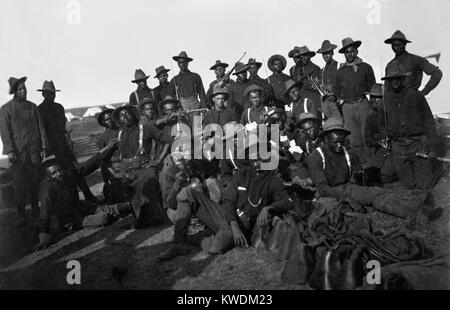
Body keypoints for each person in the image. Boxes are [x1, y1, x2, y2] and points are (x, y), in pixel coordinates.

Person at [307, 117, 442, 221]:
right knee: (338, 209)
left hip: (348, 188)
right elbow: (323, 189)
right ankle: (413, 212)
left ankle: (420, 199)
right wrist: (347, 199)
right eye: (335, 142)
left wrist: (358, 189)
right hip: (328, 195)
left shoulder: (348, 153)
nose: (339, 145)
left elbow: (355, 175)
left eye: (341, 141)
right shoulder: (316, 157)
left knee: (376, 194)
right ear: (325, 138)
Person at [35, 154, 132, 250]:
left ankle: (130, 206)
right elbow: (44, 213)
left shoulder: (68, 175)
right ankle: (114, 212)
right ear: (48, 175)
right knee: (104, 218)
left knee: (111, 208)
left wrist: (104, 152)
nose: (58, 174)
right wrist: (43, 237)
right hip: (69, 219)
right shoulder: (46, 189)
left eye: (59, 170)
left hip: (79, 205)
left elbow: (87, 167)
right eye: (54, 173)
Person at [108, 105, 174, 228]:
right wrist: (115, 172)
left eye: (127, 114)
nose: (124, 117)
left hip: (145, 166)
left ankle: (155, 218)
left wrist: (158, 160)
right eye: (121, 115)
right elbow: (106, 156)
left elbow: (169, 140)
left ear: (134, 115)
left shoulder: (146, 128)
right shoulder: (120, 134)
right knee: (126, 186)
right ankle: (139, 219)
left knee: (148, 179)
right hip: (127, 169)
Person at [221, 142, 294, 248]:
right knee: (218, 245)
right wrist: (234, 226)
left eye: (260, 160)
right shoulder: (241, 175)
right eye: (253, 160)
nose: (256, 164)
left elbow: (288, 201)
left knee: (260, 243)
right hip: (235, 220)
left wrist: (268, 208)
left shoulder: (273, 179)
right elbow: (228, 201)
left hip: (255, 223)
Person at [38, 80, 99, 203]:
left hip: (63, 145)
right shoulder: (39, 110)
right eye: (48, 93)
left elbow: (63, 129)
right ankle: (69, 204)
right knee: (60, 176)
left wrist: (68, 143)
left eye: (53, 93)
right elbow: (41, 131)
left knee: (76, 171)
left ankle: (88, 197)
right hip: (50, 148)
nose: (52, 96)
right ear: (43, 94)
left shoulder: (59, 108)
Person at [382, 61, 438, 190]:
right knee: (408, 186)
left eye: (398, 78)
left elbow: (428, 121)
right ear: (389, 81)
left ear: (403, 79)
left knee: (425, 185)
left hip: (417, 144)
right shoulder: (386, 100)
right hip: (398, 148)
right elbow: (380, 122)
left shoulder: (416, 96)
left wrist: (432, 147)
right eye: (392, 79)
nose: (395, 81)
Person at [0, 77, 48, 224]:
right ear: (15, 92)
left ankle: (35, 211)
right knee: (19, 186)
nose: (24, 91)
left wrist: (44, 147)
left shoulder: (33, 107)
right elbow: (5, 132)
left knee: (35, 183)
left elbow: (41, 128)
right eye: (21, 89)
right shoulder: (5, 109)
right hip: (18, 155)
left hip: (34, 151)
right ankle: (21, 215)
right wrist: (10, 151)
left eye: (25, 88)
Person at [334, 37, 376, 163]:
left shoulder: (366, 67)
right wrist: (343, 106)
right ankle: (361, 166)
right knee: (354, 139)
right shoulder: (340, 71)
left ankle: (372, 165)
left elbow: (372, 87)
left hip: (362, 104)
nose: (350, 54)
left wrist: (372, 107)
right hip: (347, 107)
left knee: (367, 136)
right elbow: (336, 91)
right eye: (347, 52)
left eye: (352, 51)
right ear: (344, 54)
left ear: (357, 52)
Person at [384, 30, 443, 96]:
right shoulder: (389, 65)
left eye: (399, 45)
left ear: (404, 44)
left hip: (412, 102)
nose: (396, 47)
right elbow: (387, 89)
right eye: (393, 45)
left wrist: (423, 92)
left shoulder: (415, 60)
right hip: (395, 102)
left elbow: (437, 73)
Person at [364, 83, 397, 185]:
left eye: (378, 98)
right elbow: (368, 140)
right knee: (368, 173)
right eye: (372, 97)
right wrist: (380, 142)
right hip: (381, 150)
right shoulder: (370, 117)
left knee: (384, 175)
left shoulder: (394, 114)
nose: (374, 101)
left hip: (397, 150)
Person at [288, 46, 322, 114]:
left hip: (313, 101)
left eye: (306, 55)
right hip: (300, 102)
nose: (303, 58)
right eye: (301, 56)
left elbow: (319, 84)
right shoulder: (294, 70)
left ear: (309, 56)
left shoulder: (316, 68)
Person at [316, 40, 341, 120]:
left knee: (341, 125)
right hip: (326, 104)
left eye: (328, 53)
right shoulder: (322, 70)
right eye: (324, 54)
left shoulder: (339, 66)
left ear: (332, 53)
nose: (326, 56)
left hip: (337, 102)